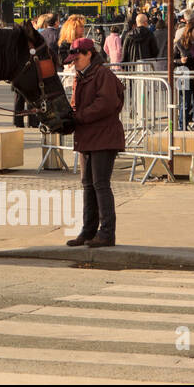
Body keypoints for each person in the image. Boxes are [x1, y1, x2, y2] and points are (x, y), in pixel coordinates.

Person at [63, 38, 124, 248]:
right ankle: (88, 231)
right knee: (88, 185)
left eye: (77, 58)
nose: (74, 63)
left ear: (89, 54)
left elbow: (105, 104)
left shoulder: (101, 74)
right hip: (89, 136)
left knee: (100, 184)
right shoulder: (84, 75)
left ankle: (106, 233)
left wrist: (78, 116)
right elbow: (80, 104)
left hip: (103, 136)